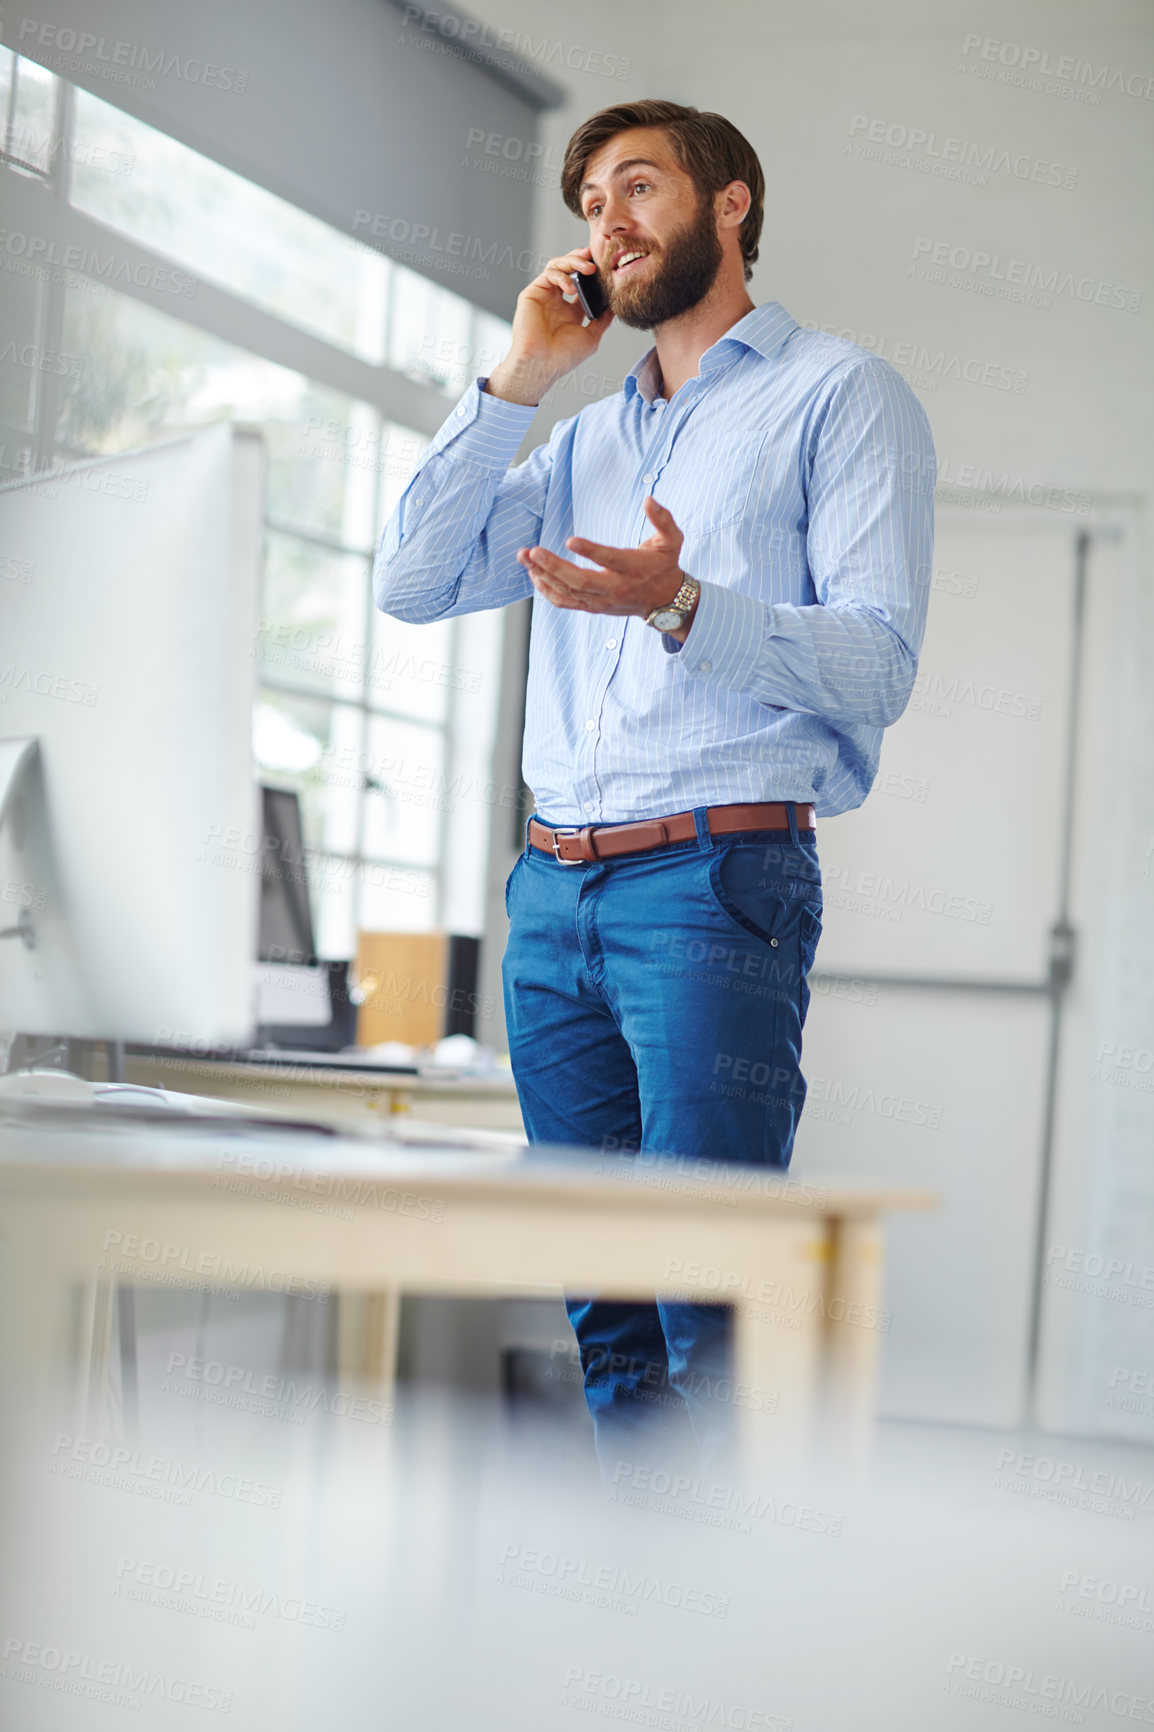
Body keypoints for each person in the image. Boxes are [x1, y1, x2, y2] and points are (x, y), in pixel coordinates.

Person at [374, 98, 936, 1479]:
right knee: (600, 1293)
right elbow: (412, 584)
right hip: (552, 893)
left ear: (729, 203)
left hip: (710, 883)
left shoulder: (839, 395)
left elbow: (872, 666)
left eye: (637, 188)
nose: (606, 224)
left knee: (708, 1284)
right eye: (587, 206)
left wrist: (683, 602)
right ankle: (640, 1618)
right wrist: (517, 378)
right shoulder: (580, 443)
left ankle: (742, 1615)